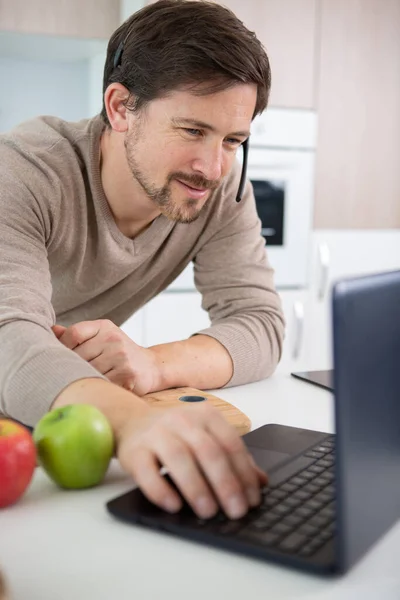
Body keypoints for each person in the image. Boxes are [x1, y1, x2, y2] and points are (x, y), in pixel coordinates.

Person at [0, 0, 284, 521]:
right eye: (193, 131)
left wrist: (153, 364)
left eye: (233, 140)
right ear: (120, 107)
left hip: (64, 424)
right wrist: (133, 422)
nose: (213, 167)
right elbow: (8, 331)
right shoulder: (23, 171)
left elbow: (261, 325)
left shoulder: (219, 192)